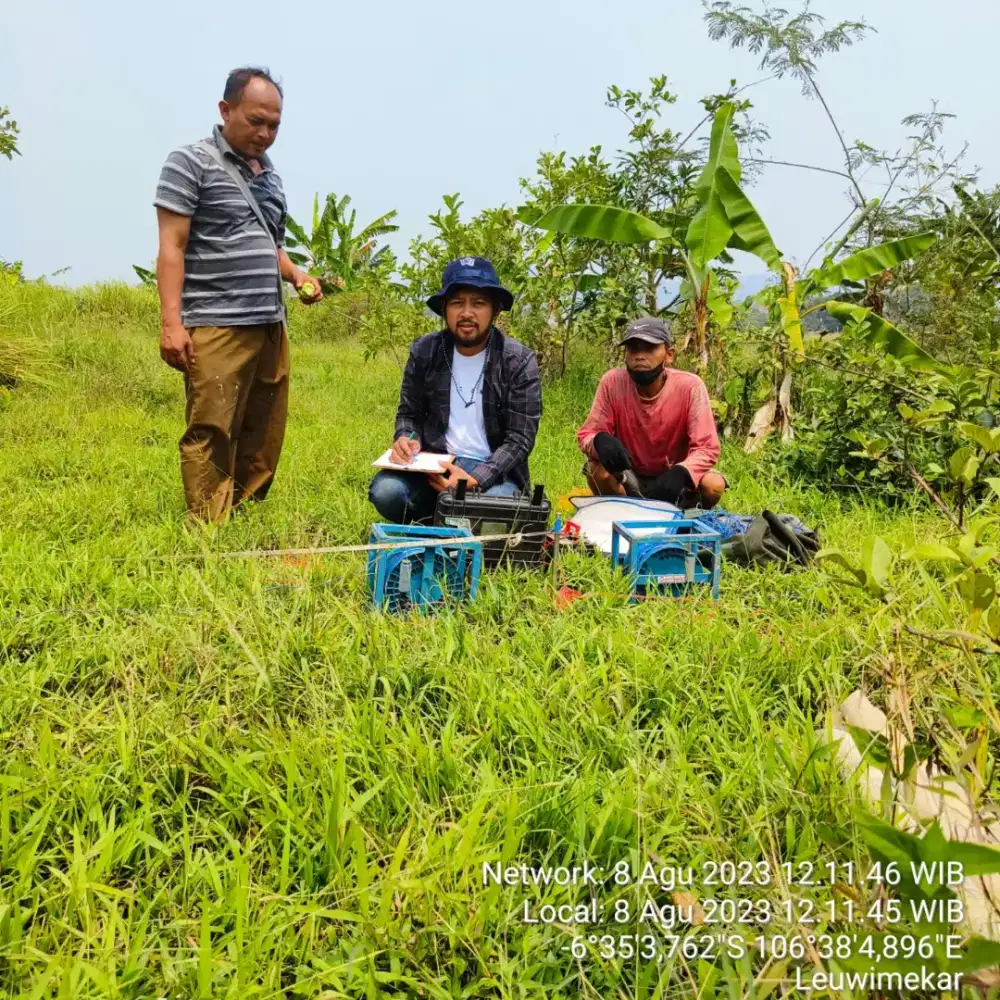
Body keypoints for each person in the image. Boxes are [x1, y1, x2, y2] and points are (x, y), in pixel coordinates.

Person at [153, 66, 322, 523]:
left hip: (269, 322)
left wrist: (296, 275)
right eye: (255, 121)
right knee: (213, 424)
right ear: (226, 110)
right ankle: (208, 526)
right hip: (217, 320)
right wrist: (171, 323)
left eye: (274, 125)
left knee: (263, 427)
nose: (265, 134)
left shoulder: (271, 176)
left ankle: (246, 519)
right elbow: (172, 247)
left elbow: (272, 245)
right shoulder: (190, 161)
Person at [369, 257, 542, 524]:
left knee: (502, 506)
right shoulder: (425, 351)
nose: (467, 313)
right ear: (445, 309)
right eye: (457, 303)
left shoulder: (517, 361)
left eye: (478, 303)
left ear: (495, 310)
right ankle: (444, 517)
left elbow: (520, 439)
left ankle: (450, 518)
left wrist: (475, 478)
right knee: (387, 492)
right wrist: (406, 438)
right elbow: (409, 414)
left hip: (492, 473)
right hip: (435, 466)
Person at [577, 316, 726, 509]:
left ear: (669, 355)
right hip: (629, 476)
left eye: (649, 348)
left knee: (713, 485)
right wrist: (599, 441)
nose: (640, 356)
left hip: (673, 481)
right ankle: (619, 514)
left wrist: (681, 472)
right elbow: (586, 435)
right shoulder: (612, 382)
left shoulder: (690, 387)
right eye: (633, 349)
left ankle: (686, 519)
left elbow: (707, 448)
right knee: (596, 470)